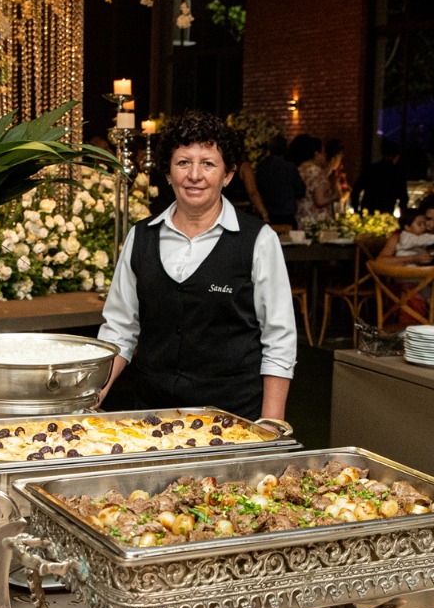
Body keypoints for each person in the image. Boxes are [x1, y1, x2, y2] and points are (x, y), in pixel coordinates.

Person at [97, 110, 295, 421]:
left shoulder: (258, 240)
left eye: (208, 164)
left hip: (232, 418)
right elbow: (119, 330)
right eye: (183, 162)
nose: (194, 175)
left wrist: (272, 422)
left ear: (228, 175)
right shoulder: (141, 236)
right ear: (168, 172)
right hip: (151, 417)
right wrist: (93, 393)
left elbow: (279, 338)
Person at [377, 198, 434, 267]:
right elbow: (380, 261)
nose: (432, 225)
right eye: (428, 219)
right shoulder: (400, 236)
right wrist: (412, 258)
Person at [251, 135, 304, 229]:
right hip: (286, 211)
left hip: (267, 211)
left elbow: (258, 186)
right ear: (285, 149)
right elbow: (301, 189)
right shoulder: (289, 167)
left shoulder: (262, 166)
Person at [291, 133, 337, 225]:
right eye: (323, 152)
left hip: (301, 217)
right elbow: (320, 200)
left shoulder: (298, 169)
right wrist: (335, 195)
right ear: (316, 153)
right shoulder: (316, 172)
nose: (325, 155)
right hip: (317, 220)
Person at [350, 139, 405, 214]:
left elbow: (356, 190)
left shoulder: (370, 169)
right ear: (397, 157)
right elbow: (403, 197)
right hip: (386, 213)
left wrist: (356, 208)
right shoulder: (397, 174)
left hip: (367, 211)